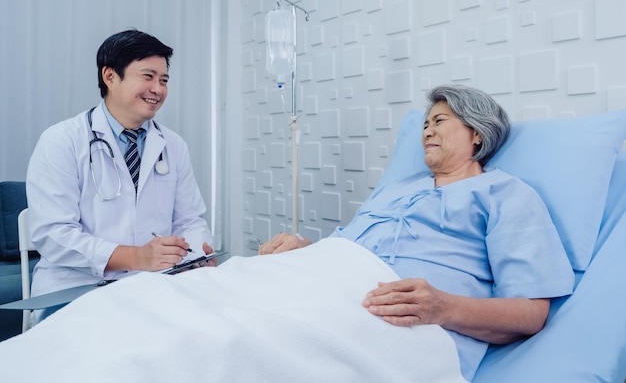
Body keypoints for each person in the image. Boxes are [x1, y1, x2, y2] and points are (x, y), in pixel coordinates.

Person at [260, 84, 575, 381]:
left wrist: (442, 306)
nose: (427, 131)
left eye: (439, 120)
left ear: (477, 133)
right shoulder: (398, 186)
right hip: (319, 288)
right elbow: (346, 248)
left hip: (394, 323)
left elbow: (532, 312)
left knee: (259, 342)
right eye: (425, 124)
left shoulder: (505, 194)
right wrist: (304, 249)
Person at [26, 29, 215, 321]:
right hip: (76, 288)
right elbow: (54, 235)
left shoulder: (173, 145)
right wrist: (136, 256)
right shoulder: (61, 140)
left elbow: (190, 220)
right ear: (110, 76)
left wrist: (196, 255)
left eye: (164, 80)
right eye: (148, 76)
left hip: (153, 285)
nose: (158, 89)